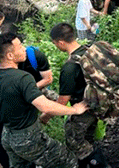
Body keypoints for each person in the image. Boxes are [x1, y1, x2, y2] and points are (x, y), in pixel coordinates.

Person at [0, 34, 87, 168]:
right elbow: (45, 107)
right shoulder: (23, 78)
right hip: (27, 138)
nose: (24, 49)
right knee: (68, 160)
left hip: (7, 136)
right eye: (20, 47)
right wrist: (75, 110)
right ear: (10, 56)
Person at [40, 23, 109, 168]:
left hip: (83, 107)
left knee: (74, 141)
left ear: (60, 42)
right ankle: (89, 162)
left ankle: (99, 164)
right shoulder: (90, 50)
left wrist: (46, 116)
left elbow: (63, 100)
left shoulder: (70, 67)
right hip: (100, 101)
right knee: (87, 137)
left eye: (55, 43)